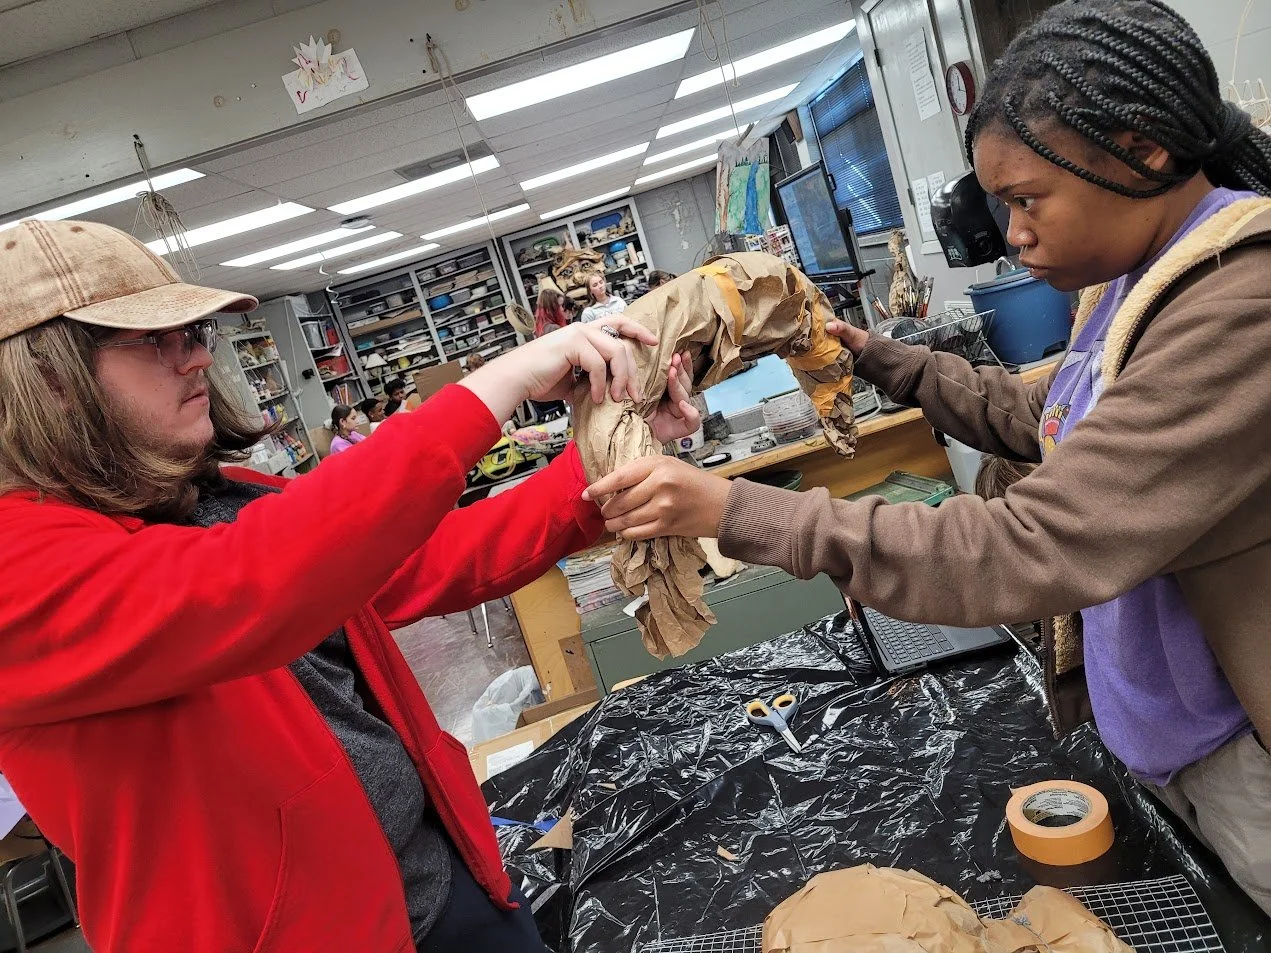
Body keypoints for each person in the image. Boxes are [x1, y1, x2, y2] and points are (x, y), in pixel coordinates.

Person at [584, 0, 1271, 914]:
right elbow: (1050, 420)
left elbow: (1034, 541)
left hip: (1240, 757)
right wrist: (873, 357)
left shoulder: (1238, 301)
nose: (1012, 232)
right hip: (1170, 735)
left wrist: (733, 510)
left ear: (1141, 152)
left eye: (1026, 200)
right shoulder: (1135, 282)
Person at [0, 219, 700, 952]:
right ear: (50, 377)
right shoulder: (20, 575)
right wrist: (495, 386)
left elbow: (434, 556)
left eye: (193, 332)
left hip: (439, 882)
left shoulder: (218, 499)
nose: (198, 356)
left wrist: (607, 457)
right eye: (157, 340)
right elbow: (241, 586)